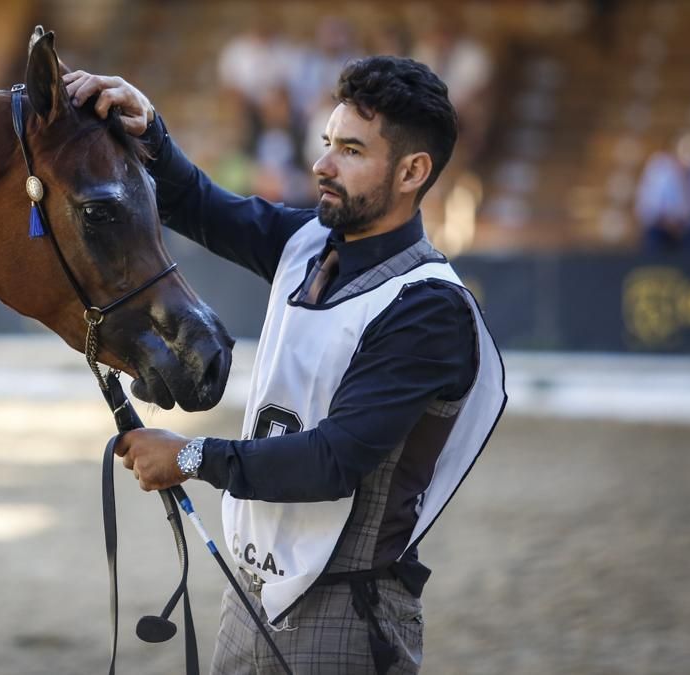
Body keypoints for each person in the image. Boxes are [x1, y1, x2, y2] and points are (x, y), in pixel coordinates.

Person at [64, 56, 506, 674]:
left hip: (346, 614)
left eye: (351, 150)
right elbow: (198, 204)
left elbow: (334, 461)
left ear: (412, 171)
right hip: (249, 596)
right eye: (327, 143)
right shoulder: (308, 242)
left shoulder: (428, 307)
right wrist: (150, 132)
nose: (322, 164)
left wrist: (191, 457)